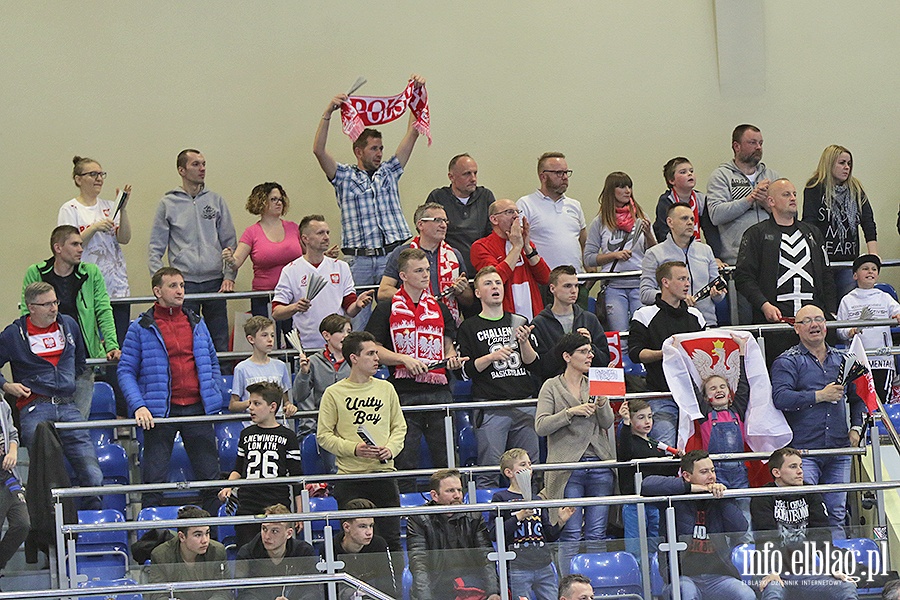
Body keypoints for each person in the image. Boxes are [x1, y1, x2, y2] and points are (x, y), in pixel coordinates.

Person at [312, 75, 427, 326]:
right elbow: (318, 151)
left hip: (392, 255)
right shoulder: (343, 176)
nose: (379, 153)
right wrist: (328, 112)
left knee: (397, 318)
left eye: (381, 148)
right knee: (358, 324)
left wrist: (416, 95)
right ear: (358, 151)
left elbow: (413, 132)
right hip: (359, 260)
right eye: (374, 148)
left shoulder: (390, 171)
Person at [118, 267, 223, 516]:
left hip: (198, 408)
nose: (180, 291)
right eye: (173, 286)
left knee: (211, 481)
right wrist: (139, 405)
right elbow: (125, 371)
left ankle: (214, 540)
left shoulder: (196, 321)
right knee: (153, 482)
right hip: (159, 414)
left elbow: (212, 360)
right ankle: (153, 543)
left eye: (182, 286)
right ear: (157, 291)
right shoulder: (140, 327)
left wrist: (214, 393)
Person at [365, 248, 467, 491]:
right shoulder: (386, 308)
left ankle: (452, 502)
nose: (425, 275)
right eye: (418, 270)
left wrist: (451, 357)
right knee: (405, 457)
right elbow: (372, 349)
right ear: (403, 275)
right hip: (403, 391)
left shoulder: (440, 307)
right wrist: (403, 359)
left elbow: (447, 343)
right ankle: (407, 511)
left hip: (439, 389)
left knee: (446, 456)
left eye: (427, 270)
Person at [0, 282, 103, 510]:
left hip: (68, 406)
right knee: (44, 479)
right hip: (35, 408)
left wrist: (64, 383)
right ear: (31, 308)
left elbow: (79, 363)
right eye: (46, 304)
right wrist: (7, 386)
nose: (54, 308)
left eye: (55, 302)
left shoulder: (69, 325)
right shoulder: (13, 335)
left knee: (93, 475)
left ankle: (89, 525)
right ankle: (47, 531)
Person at [771, 304, 866, 532]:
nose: (814, 325)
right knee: (808, 513)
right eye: (807, 321)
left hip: (838, 448)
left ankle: (837, 564)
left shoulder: (845, 358)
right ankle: (811, 564)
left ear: (826, 325)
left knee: (837, 511)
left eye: (819, 319)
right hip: (804, 451)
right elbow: (780, 398)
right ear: (796, 328)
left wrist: (856, 426)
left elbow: (859, 396)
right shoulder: (787, 361)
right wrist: (819, 396)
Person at [317, 331, 407, 551]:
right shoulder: (333, 393)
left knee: (390, 540)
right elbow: (323, 436)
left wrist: (391, 449)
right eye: (370, 353)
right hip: (350, 478)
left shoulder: (386, 388)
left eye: (377, 353)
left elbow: (400, 427)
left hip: (384, 476)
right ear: (354, 358)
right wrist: (354, 449)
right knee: (353, 542)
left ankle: (391, 586)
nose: (377, 358)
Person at [535, 333, 615, 572]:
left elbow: (608, 422)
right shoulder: (551, 386)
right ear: (567, 356)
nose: (590, 356)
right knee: (570, 532)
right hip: (568, 468)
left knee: (597, 533)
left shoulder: (595, 382)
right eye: (583, 351)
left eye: (590, 351)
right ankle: (567, 588)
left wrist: (602, 403)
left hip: (600, 464)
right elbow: (540, 426)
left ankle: (593, 588)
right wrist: (570, 413)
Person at [22, 225, 121, 418]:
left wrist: (111, 344)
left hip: (81, 360)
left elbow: (103, 310)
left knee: (77, 424)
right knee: (48, 427)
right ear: (58, 248)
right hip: (46, 364)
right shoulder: (35, 272)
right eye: (75, 244)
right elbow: (27, 315)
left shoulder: (91, 273)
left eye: (81, 244)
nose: (81, 249)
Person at [456, 266, 541, 488]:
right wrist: (489, 357)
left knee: (529, 472)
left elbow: (535, 364)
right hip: (491, 406)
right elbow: (463, 372)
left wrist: (524, 344)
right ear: (477, 293)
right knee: (489, 470)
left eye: (498, 283)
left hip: (524, 403)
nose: (495, 287)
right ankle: (492, 521)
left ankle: (529, 518)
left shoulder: (519, 321)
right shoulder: (469, 326)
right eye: (488, 284)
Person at [734, 178, 835, 360]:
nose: (793, 198)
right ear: (771, 201)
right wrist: (764, 305)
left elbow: (826, 275)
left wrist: (830, 311)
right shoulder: (756, 234)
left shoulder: (812, 233)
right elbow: (743, 276)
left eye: (794, 194)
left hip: (812, 322)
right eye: (786, 194)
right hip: (776, 325)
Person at [642, 450, 762, 600]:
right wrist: (690, 488)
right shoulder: (674, 498)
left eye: (712, 470)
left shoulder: (719, 497)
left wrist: (723, 499)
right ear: (686, 476)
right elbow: (647, 485)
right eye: (704, 472)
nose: (711, 476)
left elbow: (740, 529)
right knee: (687, 593)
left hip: (719, 576)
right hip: (682, 577)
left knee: (746, 594)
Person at [148, 149, 236, 352]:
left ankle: (221, 381)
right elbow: (155, 248)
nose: (202, 168)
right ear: (182, 170)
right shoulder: (168, 204)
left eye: (204, 163)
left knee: (219, 340)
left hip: (215, 281)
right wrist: (160, 286)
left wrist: (229, 275)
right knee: (187, 340)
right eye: (195, 164)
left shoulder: (216, 201)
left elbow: (230, 242)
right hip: (184, 284)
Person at [749, 447, 860, 600]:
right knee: (773, 590)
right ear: (777, 473)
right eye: (793, 467)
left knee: (845, 586)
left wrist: (833, 567)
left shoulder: (811, 493)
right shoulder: (763, 496)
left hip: (805, 572)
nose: (800, 471)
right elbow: (766, 538)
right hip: (771, 571)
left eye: (800, 466)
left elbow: (822, 536)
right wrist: (771, 570)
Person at [706, 125, 781, 323]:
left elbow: (789, 214)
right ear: (736, 146)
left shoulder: (772, 177)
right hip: (738, 263)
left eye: (761, 143)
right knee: (745, 319)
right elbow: (715, 214)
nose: (758, 147)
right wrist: (750, 199)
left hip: (772, 260)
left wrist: (766, 203)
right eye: (752, 142)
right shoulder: (721, 176)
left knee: (773, 317)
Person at [58, 155, 132, 345]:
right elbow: (67, 244)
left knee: (117, 343)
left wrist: (123, 210)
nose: (99, 178)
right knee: (90, 343)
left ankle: (115, 376)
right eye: (93, 174)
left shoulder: (109, 206)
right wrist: (94, 228)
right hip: (87, 286)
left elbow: (124, 238)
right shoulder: (70, 209)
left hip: (116, 287)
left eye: (101, 174)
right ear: (78, 179)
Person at [629, 261, 705, 446]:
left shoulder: (696, 316)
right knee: (666, 449)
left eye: (688, 279)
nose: (687, 284)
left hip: (694, 398)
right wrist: (666, 353)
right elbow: (635, 353)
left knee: (698, 451)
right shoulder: (644, 315)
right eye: (681, 279)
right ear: (665, 282)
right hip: (661, 395)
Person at [272, 215, 374, 351]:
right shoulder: (291, 270)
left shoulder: (341, 267)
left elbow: (350, 309)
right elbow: (276, 312)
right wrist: (296, 307)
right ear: (305, 239)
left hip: (338, 346)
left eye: (327, 232)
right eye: (320, 233)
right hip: (306, 347)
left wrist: (357, 305)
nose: (326, 237)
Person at [219, 382, 302, 548]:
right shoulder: (246, 434)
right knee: (248, 553)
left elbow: (296, 478)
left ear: (272, 407)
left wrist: (299, 513)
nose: (251, 408)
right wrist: (228, 486)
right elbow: (238, 469)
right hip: (248, 505)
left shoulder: (288, 436)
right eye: (250, 403)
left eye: (257, 404)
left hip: (277, 505)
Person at [492, 448, 574, 600]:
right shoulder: (500, 498)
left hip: (543, 564)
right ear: (509, 472)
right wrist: (519, 516)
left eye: (529, 464)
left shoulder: (537, 500)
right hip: (518, 566)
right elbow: (495, 533)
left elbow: (548, 535)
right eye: (523, 464)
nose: (528, 468)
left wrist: (561, 522)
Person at [406, 469, 501, 600]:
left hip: (470, 586)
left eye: (459, 490)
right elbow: (419, 564)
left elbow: (486, 556)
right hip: (436, 589)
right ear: (434, 495)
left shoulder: (474, 515)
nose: (457, 495)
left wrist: (493, 592)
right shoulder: (418, 518)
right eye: (450, 491)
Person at [583, 171, 657, 335]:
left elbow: (653, 253)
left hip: (639, 284)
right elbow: (588, 258)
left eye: (629, 186)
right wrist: (614, 256)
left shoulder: (640, 217)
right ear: (611, 190)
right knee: (620, 334)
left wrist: (648, 234)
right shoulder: (600, 221)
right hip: (614, 287)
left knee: (643, 333)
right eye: (621, 187)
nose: (627, 191)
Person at [377, 202, 474, 324]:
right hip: (411, 321)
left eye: (445, 221)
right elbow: (384, 291)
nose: (443, 225)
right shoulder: (402, 253)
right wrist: (417, 298)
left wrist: (461, 292)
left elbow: (469, 300)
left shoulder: (454, 255)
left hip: (447, 322)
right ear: (421, 224)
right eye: (437, 220)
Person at [803, 145, 877, 299]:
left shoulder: (855, 188)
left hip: (849, 261)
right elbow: (809, 224)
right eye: (842, 163)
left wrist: (873, 254)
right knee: (826, 304)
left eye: (849, 164)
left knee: (847, 300)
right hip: (824, 260)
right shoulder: (815, 187)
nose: (847, 168)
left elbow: (868, 221)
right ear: (829, 163)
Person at [223, 182, 303, 322]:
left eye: (280, 199)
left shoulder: (293, 228)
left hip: (293, 295)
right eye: (273, 199)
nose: (279, 203)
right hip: (264, 297)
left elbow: (307, 256)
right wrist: (230, 259)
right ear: (261, 202)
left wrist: (325, 256)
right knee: (266, 339)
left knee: (295, 339)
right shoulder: (252, 232)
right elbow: (236, 262)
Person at [641, 202, 726, 327]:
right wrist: (672, 297)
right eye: (684, 218)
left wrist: (718, 294)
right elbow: (645, 293)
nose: (690, 222)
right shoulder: (654, 254)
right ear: (670, 222)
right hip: (669, 323)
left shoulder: (706, 250)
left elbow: (719, 290)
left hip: (706, 322)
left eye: (692, 219)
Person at [616, 398, 681, 558]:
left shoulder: (654, 444)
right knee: (636, 551)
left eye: (650, 416)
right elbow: (624, 455)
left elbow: (662, 473)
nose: (647, 421)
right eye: (641, 417)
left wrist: (677, 461)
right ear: (630, 420)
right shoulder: (628, 441)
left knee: (656, 549)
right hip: (635, 503)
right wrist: (624, 422)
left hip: (655, 502)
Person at [471, 198, 551, 320]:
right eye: (509, 212)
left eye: (517, 212)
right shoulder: (481, 246)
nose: (516, 216)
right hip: (504, 317)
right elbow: (496, 278)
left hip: (534, 315)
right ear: (494, 219)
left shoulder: (524, 242)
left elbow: (546, 278)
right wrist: (517, 247)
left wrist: (528, 248)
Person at [292, 313, 352, 471]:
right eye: (342, 332)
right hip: (327, 427)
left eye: (349, 332)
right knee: (335, 470)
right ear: (326, 335)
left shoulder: (355, 360)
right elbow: (299, 396)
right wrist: (304, 374)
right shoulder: (314, 362)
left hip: (354, 424)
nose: (346, 336)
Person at [837, 254, 900, 399]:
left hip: (883, 361)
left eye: (874, 269)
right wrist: (849, 331)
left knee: (882, 399)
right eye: (865, 269)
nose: (870, 271)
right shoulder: (847, 300)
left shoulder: (884, 297)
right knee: (859, 400)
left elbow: (897, 311)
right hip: (857, 362)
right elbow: (840, 330)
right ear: (854, 275)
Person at [532, 265, 610, 378]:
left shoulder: (589, 319)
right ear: (552, 288)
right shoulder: (539, 323)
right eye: (567, 286)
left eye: (576, 286)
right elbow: (540, 368)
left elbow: (604, 362)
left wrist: (590, 346)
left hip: (586, 386)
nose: (573, 291)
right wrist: (564, 345)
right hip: (554, 387)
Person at [517, 152, 587, 276]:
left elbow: (583, 241)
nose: (565, 177)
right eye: (559, 173)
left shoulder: (575, 205)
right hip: (543, 282)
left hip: (575, 280)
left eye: (566, 172)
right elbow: (518, 243)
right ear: (543, 176)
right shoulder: (526, 204)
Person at [426, 153, 495, 276]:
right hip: (448, 267)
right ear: (451, 177)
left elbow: (493, 234)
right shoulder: (438, 197)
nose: (473, 178)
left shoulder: (485, 196)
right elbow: (429, 233)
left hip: (482, 267)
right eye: (467, 174)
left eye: (475, 173)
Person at [234, 504, 319, 600]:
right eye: (264, 529)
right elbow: (244, 594)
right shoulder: (247, 553)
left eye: (274, 531)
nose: (267, 536)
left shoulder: (304, 552)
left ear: (289, 533)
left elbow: (312, 590)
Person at [148, 506, 229, 600]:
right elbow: (157, 595)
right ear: (182, 537)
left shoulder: (217, 551)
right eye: (198, 535)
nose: (205, 540)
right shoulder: (161, 555)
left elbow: (224, 591)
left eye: (207, 533)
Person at [653, 156, 722, 258]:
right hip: (671, 252)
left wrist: (715, 257)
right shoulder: (666, 201)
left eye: (691, 171)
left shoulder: (701, 199)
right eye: (683, 172)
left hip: (694, 249)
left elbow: (710, 232)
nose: (689, 174)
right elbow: (664, 233)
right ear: (671, 180)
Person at [229, 316, 296, 415]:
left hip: (277, 424)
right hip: (253, 426)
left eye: (272, 335)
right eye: (264, 335)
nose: (270, 340)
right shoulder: (242, 368)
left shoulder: (280, 366)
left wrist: (289, 407)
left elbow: (286, 401)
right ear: (251, 339)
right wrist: (252, 402)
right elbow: (233, 405)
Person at [333, 497, 398, 599]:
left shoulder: (378, 544)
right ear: (346, 527)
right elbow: (326, 592)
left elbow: (388, 588)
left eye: (371, 525)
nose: (369, 532)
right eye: (362, 526)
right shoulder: (330, 548)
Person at [0, 397, 29, 575]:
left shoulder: (2, 403)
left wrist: (13, 451)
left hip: (8, 477)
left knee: (22, 524)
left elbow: (12, 434)